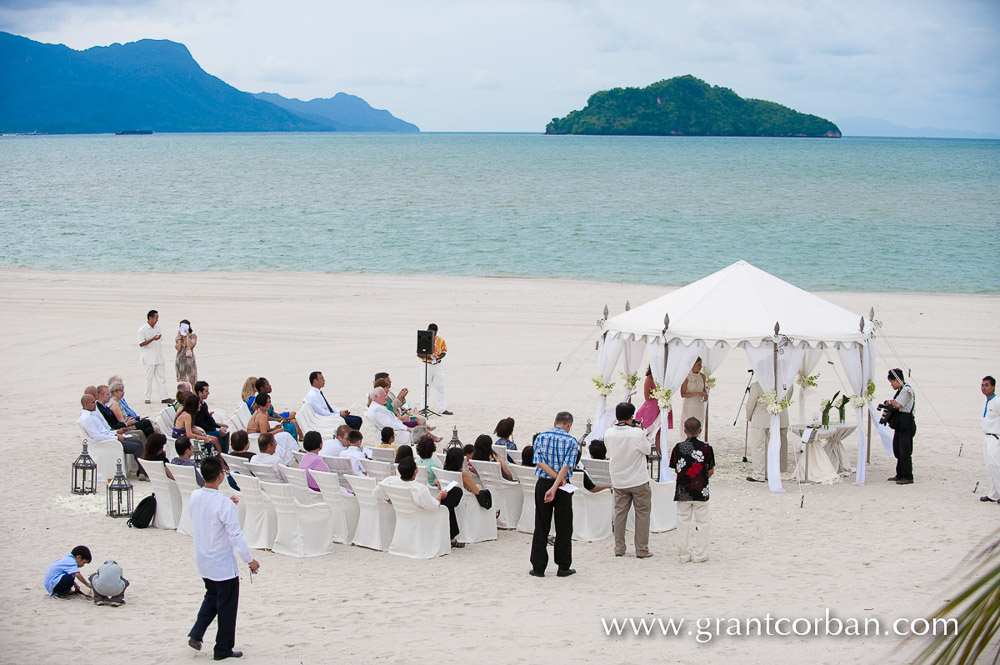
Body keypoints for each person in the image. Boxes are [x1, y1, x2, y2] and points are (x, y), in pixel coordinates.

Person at [187, 456, 260, 660]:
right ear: (220, 477)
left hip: (203, 557)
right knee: (227, 605)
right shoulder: (222, 504)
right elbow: (235, 535)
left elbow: (205, 513)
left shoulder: (195, 496)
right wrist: (249, 559)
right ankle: (223, 648)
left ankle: (196, 633)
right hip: (221, 562)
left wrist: (226, 504)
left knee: (211, 597)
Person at [529, 411, 578, 578]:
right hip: (562, 485)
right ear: (569, 424)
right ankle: (563, 566)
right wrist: (558, 482)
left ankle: (538, 567)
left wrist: (552, 484)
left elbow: (539, 461)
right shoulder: (571, 440)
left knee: (541, 524)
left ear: (555, 421)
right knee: (564, 525)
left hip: (543, 482)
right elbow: (566, 466)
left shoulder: (541, 437)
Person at [375, 456, 464, 547]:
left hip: (403, 512)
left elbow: (376, 492)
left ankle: (452, 538)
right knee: (452, 497)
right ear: (415, 471)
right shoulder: (419, 489)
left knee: (449, 501)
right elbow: (434, 507)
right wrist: (440, 496)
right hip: (422, 515)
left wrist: (389, 499)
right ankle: (452, 538)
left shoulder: (390, 480)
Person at [604, 402, 653, 559]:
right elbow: (647, 450)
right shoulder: (636, 434)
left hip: (619, 478)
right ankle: (642, 549)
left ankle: (619, 548)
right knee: (643, 514)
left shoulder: (609, 433)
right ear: (632, 417)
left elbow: (609, 451)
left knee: (619, 514)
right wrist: (642, 431)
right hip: (638, 479)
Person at [669, 417, 715, 563]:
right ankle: (700, 554)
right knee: (703, 522)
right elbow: (710, 470)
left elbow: (676, 468)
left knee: (682, 521)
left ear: (684, 431)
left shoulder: (678, 447)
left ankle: (683, 554)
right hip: (701, 489)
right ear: (700, 431)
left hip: (683, 488)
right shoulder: (707, 448)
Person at [78, 393, 144, 461]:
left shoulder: (92, 414)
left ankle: (141, 467)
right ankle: (141, 469)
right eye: (93, 403)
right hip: (106, 443)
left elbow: (104, 431)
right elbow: (97, 436)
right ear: (86, 405)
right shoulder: (86, 418)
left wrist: (117, 432)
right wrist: (116, 437)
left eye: (95, 402)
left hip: (109, 438)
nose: (95, 404)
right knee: (137, 446)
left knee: (137, 442)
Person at [745, 381, 789, 483]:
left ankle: (759, 474)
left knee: (758, 447)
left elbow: (750, 405)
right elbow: (787, 399)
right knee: (773, 447)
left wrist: (749, 417)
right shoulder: (785, 383)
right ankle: (771, 473)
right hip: (777, 418)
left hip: (760, 419)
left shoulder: (757, 385)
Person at [885, 368, 917, 485]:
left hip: (906, 424)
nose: (892, 385)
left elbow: (898, 404)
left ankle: (907, 476)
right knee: (898, 449)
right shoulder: (901, 390)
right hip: (901, 424)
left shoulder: (906, 390)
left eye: (892, 382)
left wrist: (890, 402)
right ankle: (899, 474)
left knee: (905, 451)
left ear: (897, 380)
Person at [247, 393, 297, 463]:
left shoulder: (262, 412)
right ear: (261, 404)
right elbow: (264, 435)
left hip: (258, 436)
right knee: (285, 435)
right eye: (266, 402)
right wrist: (278, 430)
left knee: (286, 435)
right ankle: (296, 452)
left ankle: (296, 451)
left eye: (269, 402)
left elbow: (263, 430)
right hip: (257, 439)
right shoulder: (261, 415)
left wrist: (274, 429)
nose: (269, 404)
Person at [634, 367, 672, 453]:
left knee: (660, 433)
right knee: (647, 432)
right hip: (651, 409)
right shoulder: (650, 378)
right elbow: (646, 396)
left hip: (662, 406)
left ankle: (661, 455)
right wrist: (659, 395)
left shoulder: (666, 378)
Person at [418, 322, 452, 415]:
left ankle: (442, 408)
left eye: (434, 333)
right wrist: (427, 356)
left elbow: (444, 351)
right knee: (425, 386)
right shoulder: (423, 339)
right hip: (426, 364)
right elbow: (418, 353)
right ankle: (423, 407)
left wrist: (439, 357)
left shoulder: (440, 340)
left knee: (439, 386)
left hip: (437, 365)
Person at [138, 309, 170, 405]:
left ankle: (164, 397)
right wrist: (153, 339)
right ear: (150, 318)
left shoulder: (157, 327)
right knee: (148, 378)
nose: (157, 320)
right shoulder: (142, 330)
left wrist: (157, 338)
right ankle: (147, 397)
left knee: (161, 378)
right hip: (149, 358)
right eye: (156, 318)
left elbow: (160, 339)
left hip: (158, 356)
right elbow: (141, 343)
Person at [194, 381, 230, 454]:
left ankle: (224, 453)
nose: (208, 393)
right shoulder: (196, 406)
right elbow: (201, 424)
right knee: (217, 434)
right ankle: (218, 454)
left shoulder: (204, 404)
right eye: (206, 391)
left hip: (208, 427)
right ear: (200, 392)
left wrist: (219, 428)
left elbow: (209, 420)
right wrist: (217, 429)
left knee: (226, 431)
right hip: (203, 430)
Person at [980, 376, 1000, 504]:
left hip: (995, 436)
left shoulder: (997, 401)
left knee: (995, 465)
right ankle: (993, 493)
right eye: (982, 385)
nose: (984, 388)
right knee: (990, 465)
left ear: (993, 387)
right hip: (987, 436)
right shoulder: (986, 402)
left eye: (986, 385)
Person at [680, 357, 708, 425]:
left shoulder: (703, 376)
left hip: (699, 405)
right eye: (699, 364)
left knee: (699, 423)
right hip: (689, 406)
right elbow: (683, 394)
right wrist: (697, 393)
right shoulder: (686, 376)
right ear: (693, 364)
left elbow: (704, 390)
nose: (701, 366)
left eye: (701, 364)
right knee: (688, 424)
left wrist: (706, 395)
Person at [175, 319, 198, 384]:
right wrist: (179, 338)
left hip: (189, 359)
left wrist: (187, 336)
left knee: (192, 379)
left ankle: (194, 393)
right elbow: (178, 348)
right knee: (182, 381)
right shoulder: (178, 337)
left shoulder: (193, 336)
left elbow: (190, 346)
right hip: (180, 360)